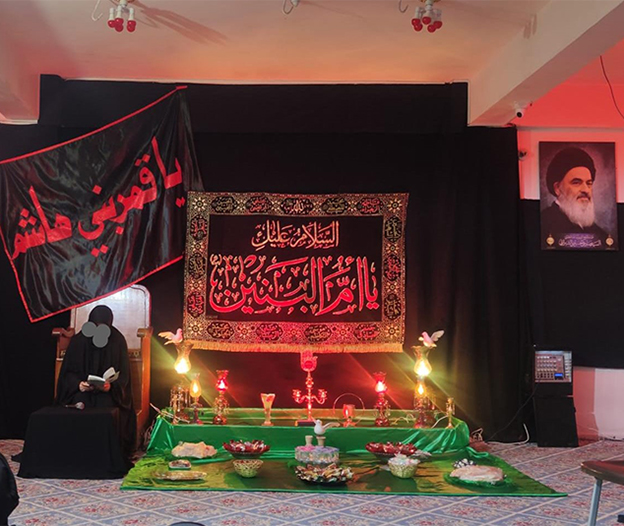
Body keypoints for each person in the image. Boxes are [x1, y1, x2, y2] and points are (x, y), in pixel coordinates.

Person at [55, 305, 136, 464]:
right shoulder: (79, 341)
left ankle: (105, 454)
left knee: (107, 409)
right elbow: (67, 373)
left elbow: (124, 375)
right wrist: (78, 384)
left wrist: (111, 386)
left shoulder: (117, 340)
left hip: (108, 394)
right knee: (80, 405)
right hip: (83, 391)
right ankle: (78, 452)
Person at [542, 147, 611, 248]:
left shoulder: (601, 235)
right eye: (576, 183)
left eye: (589, 183)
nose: (585, 190)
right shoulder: (544, 223)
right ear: (557, 188)